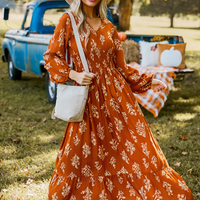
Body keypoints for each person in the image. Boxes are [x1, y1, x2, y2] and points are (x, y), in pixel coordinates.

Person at [43, 0, 194, 199]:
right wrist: (73, 74)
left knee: (133, 145)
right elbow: (52, 56)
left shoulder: (109, 26)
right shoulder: (68, 20)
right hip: (88, 97)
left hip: (117, 98)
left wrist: (148, 81)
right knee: (84, 150)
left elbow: (120, 67)